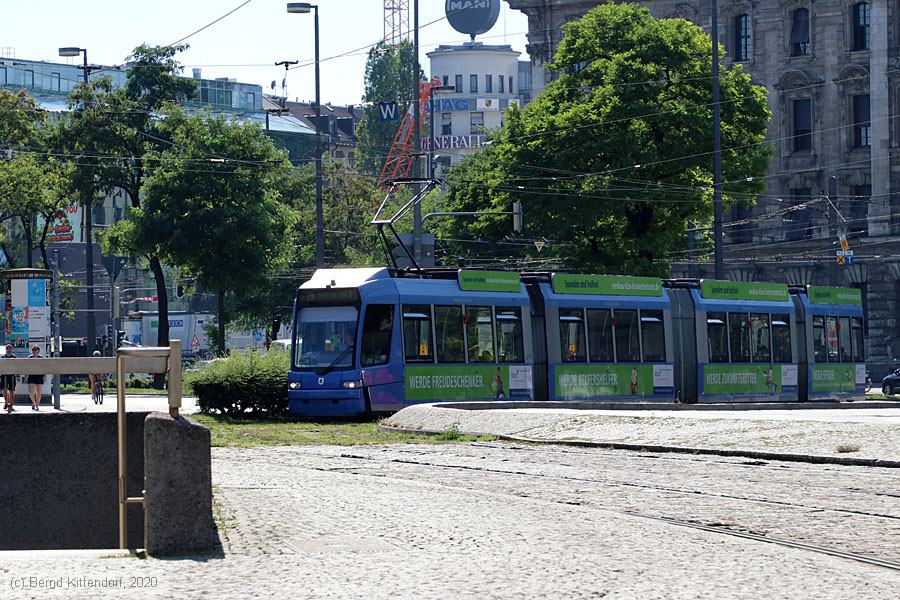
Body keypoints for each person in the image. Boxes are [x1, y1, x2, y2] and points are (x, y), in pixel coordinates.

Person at [26, 345, 44, 411]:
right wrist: (26, 377)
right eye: (33, 349)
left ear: (38, 351)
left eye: (35, 349)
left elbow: (44, 367)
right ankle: (34, 403)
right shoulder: (29, 358)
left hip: (39, 375)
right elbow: (27, 368)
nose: (34, 351)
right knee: (31, 391)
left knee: (38, 392)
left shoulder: (41, 358)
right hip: (31, 375)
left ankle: (37, 405)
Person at [3, 344, 17, 413]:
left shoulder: (14, 357)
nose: (9, 350)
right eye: (7, 348)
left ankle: (10, 405)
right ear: (6, 349)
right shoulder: (2, 357)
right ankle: (6, 402)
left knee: (11, 391)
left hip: (12, 375)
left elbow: (16, 366)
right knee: (5, 390)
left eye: (10, 348)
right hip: (4, 375)